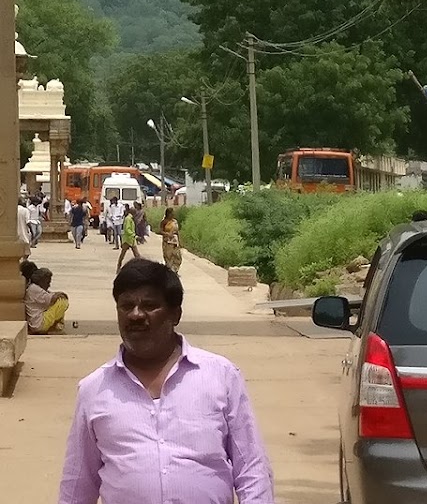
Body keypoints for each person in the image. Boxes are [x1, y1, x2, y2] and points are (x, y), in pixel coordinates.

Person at [57, 258, 274, 504]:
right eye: (126, 306)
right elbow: (78, 482)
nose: (136, 314)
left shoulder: (221, 376)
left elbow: (252, 469)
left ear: (175, 314)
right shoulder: (94, 389)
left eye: (149, 305)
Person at [25, 267, 69, 334]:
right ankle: (55, 326)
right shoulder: (34, 289)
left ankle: (56, 325)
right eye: (47, 282)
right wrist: (60, 294)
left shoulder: (35, 288)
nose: (49, 285)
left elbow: (49, 295)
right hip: (39, 324)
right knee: (62, 302)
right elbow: (52, 299)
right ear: (41, 281)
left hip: (36, 323)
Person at [116, 203, 141, 273]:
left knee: (137, 255)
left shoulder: (131, 219)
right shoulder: (128, 219)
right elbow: (127, 229)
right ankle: (118, 266)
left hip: (131, 240)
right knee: (122, 254)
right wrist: (134, 236)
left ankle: (140, 268)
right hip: (127, 239)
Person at [160, 206, 183, 273]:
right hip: (167, 242)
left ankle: (175, 270)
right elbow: (160, 231)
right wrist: (167, 234)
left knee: (177, 257)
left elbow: (177, 232)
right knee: (168, 257)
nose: (173, 215)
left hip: (175, 242)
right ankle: (170, 272)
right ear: (168, 214)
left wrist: (180, 241)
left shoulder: (174, 221)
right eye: (172, 213)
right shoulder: (164, 222)